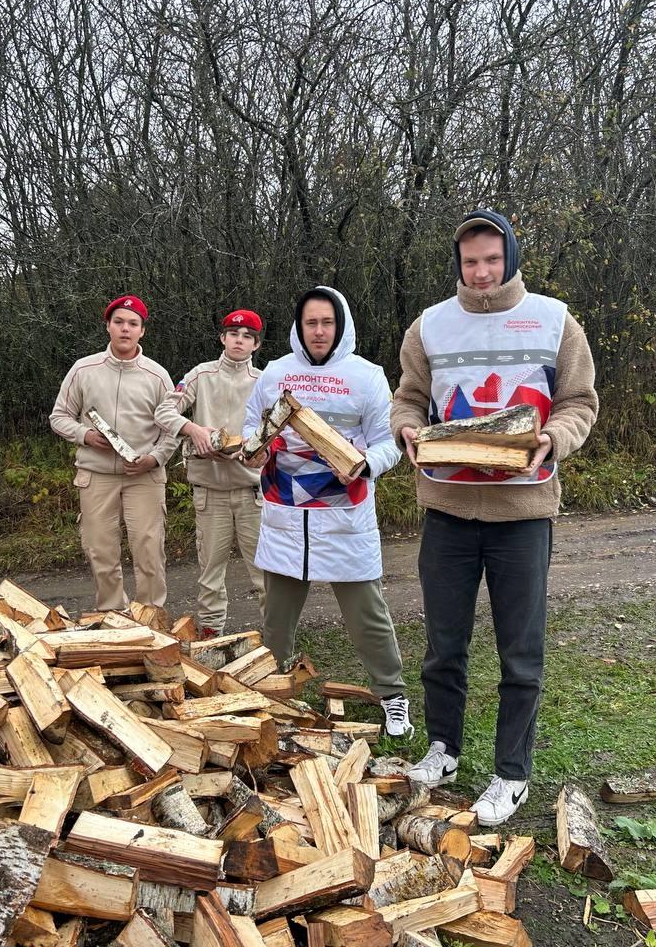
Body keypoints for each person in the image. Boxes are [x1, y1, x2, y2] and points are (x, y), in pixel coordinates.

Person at [392, 209, 598, 825]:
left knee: (520, 652)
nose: (481, 272)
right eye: (470, 262)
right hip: (447, 506)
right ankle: (443, 750)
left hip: (523, 512)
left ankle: (511, 773)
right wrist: (406, 428)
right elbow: (408, 397)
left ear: (510, 257)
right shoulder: (429, 325)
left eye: (491, 259)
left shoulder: (555, 320)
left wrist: (555, 438)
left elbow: (579, 402)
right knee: (443, 644)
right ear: (458, 264)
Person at [243, 286, 413, 737]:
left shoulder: (366, 376)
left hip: (343, 516)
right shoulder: (276, 373)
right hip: (285, 514)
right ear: (299, 327)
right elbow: (252, 425)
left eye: (327, 322)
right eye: (311, 323)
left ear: (341, 325)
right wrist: (255, 450)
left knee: (367, 614)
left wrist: (364, 464)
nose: (319, 331)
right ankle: (272, 692)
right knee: (276, 619)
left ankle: (392, 694)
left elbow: (388, 442)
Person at [50, 294, 180, 611]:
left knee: (149, 549)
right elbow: (59, 417)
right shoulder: (84, 369)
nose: (125, 329)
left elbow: (173, 429)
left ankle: (151, 615)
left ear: (142, 331)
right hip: (96, 475)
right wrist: (85, 435)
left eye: (133, 324)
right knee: (100, 550)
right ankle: (112, 614)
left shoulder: (157, 375)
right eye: (119, 322)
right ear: (107, 325)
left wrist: (154, 459)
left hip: (144, 477)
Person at [154, 310, 267, 637]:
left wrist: (261, 450)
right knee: (210, 575)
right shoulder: (200, 375)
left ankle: (275, 642)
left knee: (265, 573)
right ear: (222, 338)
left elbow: (277, 428)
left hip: (252, 493)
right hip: (210, 492)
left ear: (256, 344)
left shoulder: (263, 381)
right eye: (234, 334)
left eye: (247, 336)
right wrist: (193, 429)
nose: (239, 341)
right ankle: (210, 638)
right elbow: (163, 411)